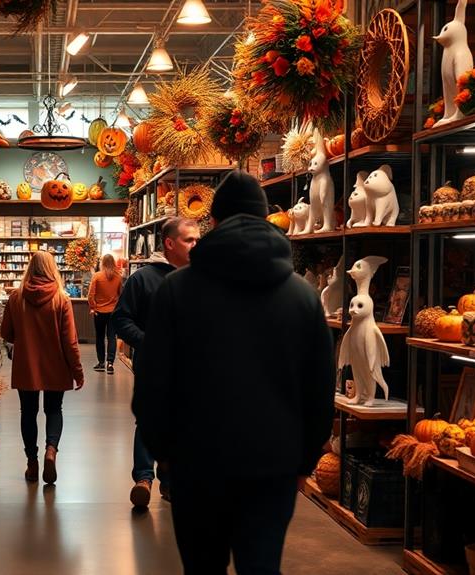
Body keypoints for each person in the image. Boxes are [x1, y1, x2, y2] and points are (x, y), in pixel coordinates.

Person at [134, 170, 335, 574]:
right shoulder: (303, 296)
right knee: (261, 566)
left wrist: (165, 454)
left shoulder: (177, 290)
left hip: (196, 463)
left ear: (214, 222)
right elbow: (319, 390)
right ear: (265, 219)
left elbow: (153, 383)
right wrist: (304, 463)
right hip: (273, 465)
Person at [113, 217, 199, 508]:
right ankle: (144, 478)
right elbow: (121, 320)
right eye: (190, 240)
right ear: (170, 243)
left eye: (199, 239)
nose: (196, 245)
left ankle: (171, 481)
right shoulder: (144, 279)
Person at [1, 250, 85, 485]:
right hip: (56, 365)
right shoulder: (61, 299)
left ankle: (31, 462)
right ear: (52, 268)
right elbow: (70, 341)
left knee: (27, 413)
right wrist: (78, 371)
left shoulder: (16, 297)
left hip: (27, 365)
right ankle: (51, 450)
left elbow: (5, 332)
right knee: (54, 410)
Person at [87, 253, 123, 374]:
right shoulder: (118, 277)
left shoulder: (97, 276)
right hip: (113, 312)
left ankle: (101, 362)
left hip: (99, 312)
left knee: (100, 337)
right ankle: (110, 363)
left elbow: (91, 295)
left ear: (102, 263)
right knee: (112, 337)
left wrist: (93, 307)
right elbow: (120, 295)